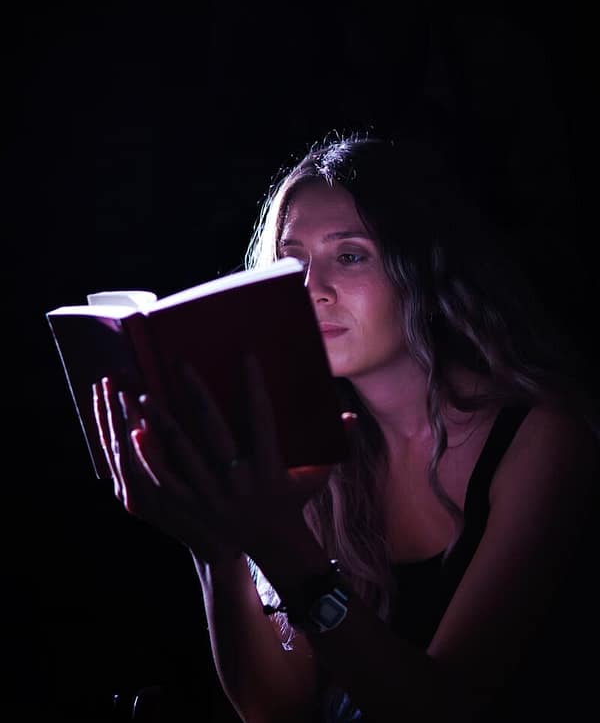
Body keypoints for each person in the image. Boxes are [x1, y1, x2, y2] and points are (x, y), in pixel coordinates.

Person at [93, 132, 600, 722]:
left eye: (350, 255)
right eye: (291, 263)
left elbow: (448, 708)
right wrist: (217, 549)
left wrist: (277, 540)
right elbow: (275, 708)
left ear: (424, 272)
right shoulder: (311, 449)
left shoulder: (543, 439)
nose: (311, 290)